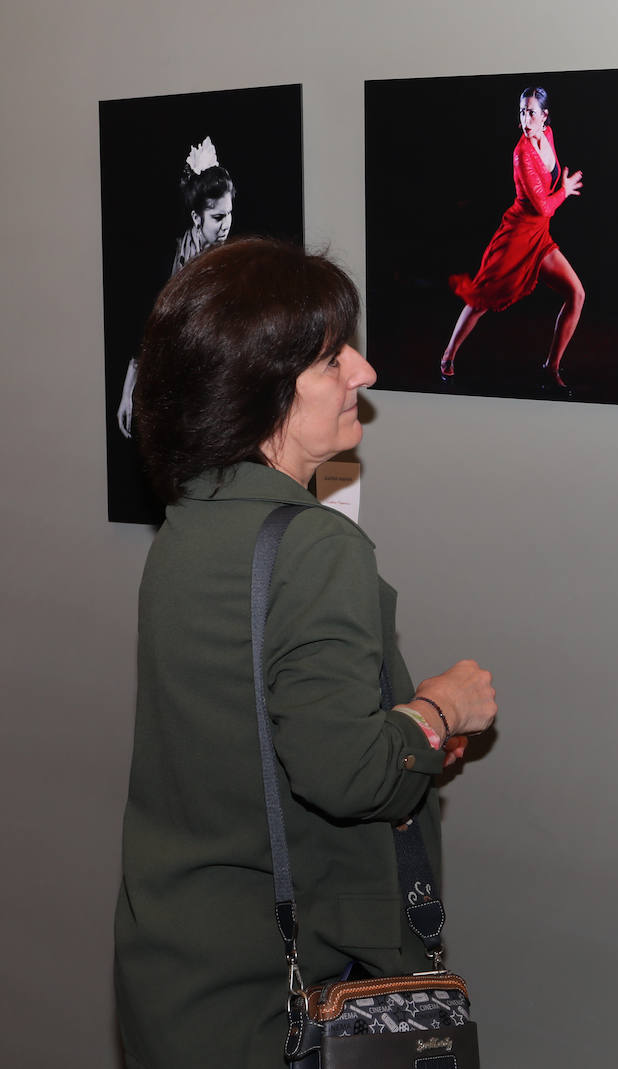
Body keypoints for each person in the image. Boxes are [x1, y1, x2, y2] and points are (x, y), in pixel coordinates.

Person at [114, 237, 498, 1068]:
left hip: (179, 982)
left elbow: (247, 729)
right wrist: (442, 708)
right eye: (331, 358)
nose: (362, 371)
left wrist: (394, 726)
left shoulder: (191, 522)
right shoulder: (315, 547)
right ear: (261, 390)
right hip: (277, 1000)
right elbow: (343, 772)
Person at [440, 86, 585, 387]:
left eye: (531, 112)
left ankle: (551, 367)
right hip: (517, 237)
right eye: (522, 111)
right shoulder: (522, 154)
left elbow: (547, 198)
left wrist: (561, 188)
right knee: (481, 299)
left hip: (540, 238)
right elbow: (544, 205)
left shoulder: (549, 136)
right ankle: (448, 356)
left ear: (545, 116)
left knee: (576, 294)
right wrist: (565, 191)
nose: (526, 118)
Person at [116, 136, 236, 437]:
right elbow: (149, 329)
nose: (226, 225)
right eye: (218, 217)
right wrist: (128, 391)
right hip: (176, 387)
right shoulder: (171, 259)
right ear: (197, 217)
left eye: (230, 214)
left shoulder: (232, 261)